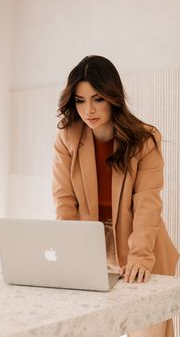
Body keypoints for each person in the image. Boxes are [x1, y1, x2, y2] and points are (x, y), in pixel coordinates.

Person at [52, 55, 179, 337]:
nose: (89, 110)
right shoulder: (67, 138)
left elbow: (148, 203)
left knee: (146, 331)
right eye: (80, 100)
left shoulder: (144, 139)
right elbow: (65, 202)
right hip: (92, 247)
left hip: (143, 246)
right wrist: (70, 253)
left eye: (97, 99)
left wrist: (141, 257)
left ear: (113, 97)